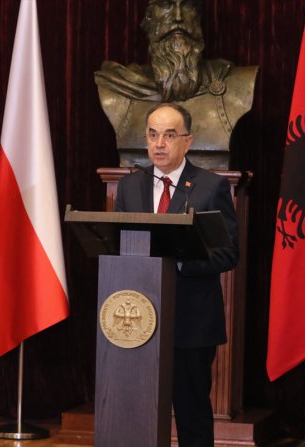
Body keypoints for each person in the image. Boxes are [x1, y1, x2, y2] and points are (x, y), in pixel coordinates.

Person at [114, 103, 239, 447]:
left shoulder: (210, 187)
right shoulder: (130, 187)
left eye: (169, 135)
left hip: (190, 322)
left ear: (188, 141)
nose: (159, 144)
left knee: (191, 414)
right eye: (153, 135)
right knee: (136, 411)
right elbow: (118, 246)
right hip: (136, 319)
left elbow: (228, 253)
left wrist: (179, 262)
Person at [95, 0, 258, 170]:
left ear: (198, 17)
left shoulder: (237, 84)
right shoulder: (118, 86)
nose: (178, 17)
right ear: (149, 17)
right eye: (166, 5)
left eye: (188, 5)